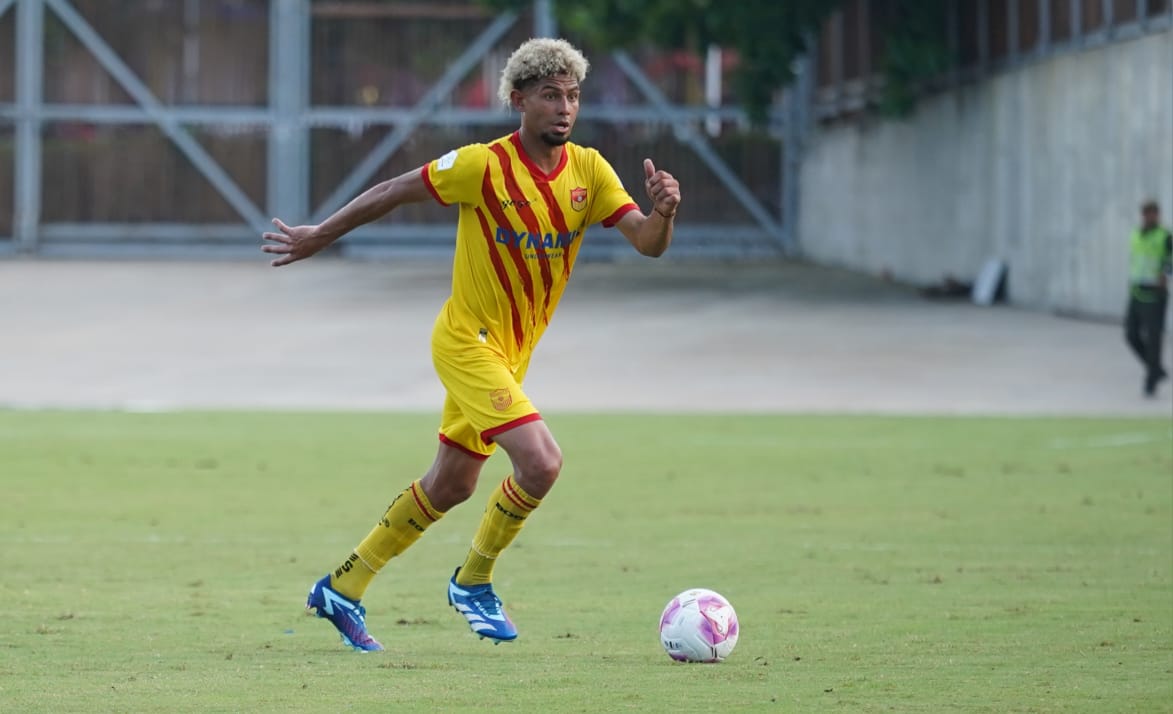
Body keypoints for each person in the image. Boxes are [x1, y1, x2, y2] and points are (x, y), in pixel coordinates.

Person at [261, 38, 681, 651]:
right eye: (549, 96)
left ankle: (341, 588)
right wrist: (319, 236)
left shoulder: (589, 171)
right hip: (466, 343)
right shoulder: (481, 166)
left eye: (572, 96)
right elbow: (391, 191)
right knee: (541, 462)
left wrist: (664, 212)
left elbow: (648, 243)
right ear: (518, 100)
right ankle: (473, 581)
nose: (564, 108)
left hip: (509, 356)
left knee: (453, 485)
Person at [1124, 199, 1172, 397]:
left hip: (1155, 294)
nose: (1149, 216)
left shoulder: (1165, 236)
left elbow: (1170, 260)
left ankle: (1151, 381)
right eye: (1146, 213)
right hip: (1136, 292)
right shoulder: (1135, 234)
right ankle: (1156, 369)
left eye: (1153, 213)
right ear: (1142, 215)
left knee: (1153, 340)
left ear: (1157, 215)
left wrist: (1165, 275)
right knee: (1131, 335)